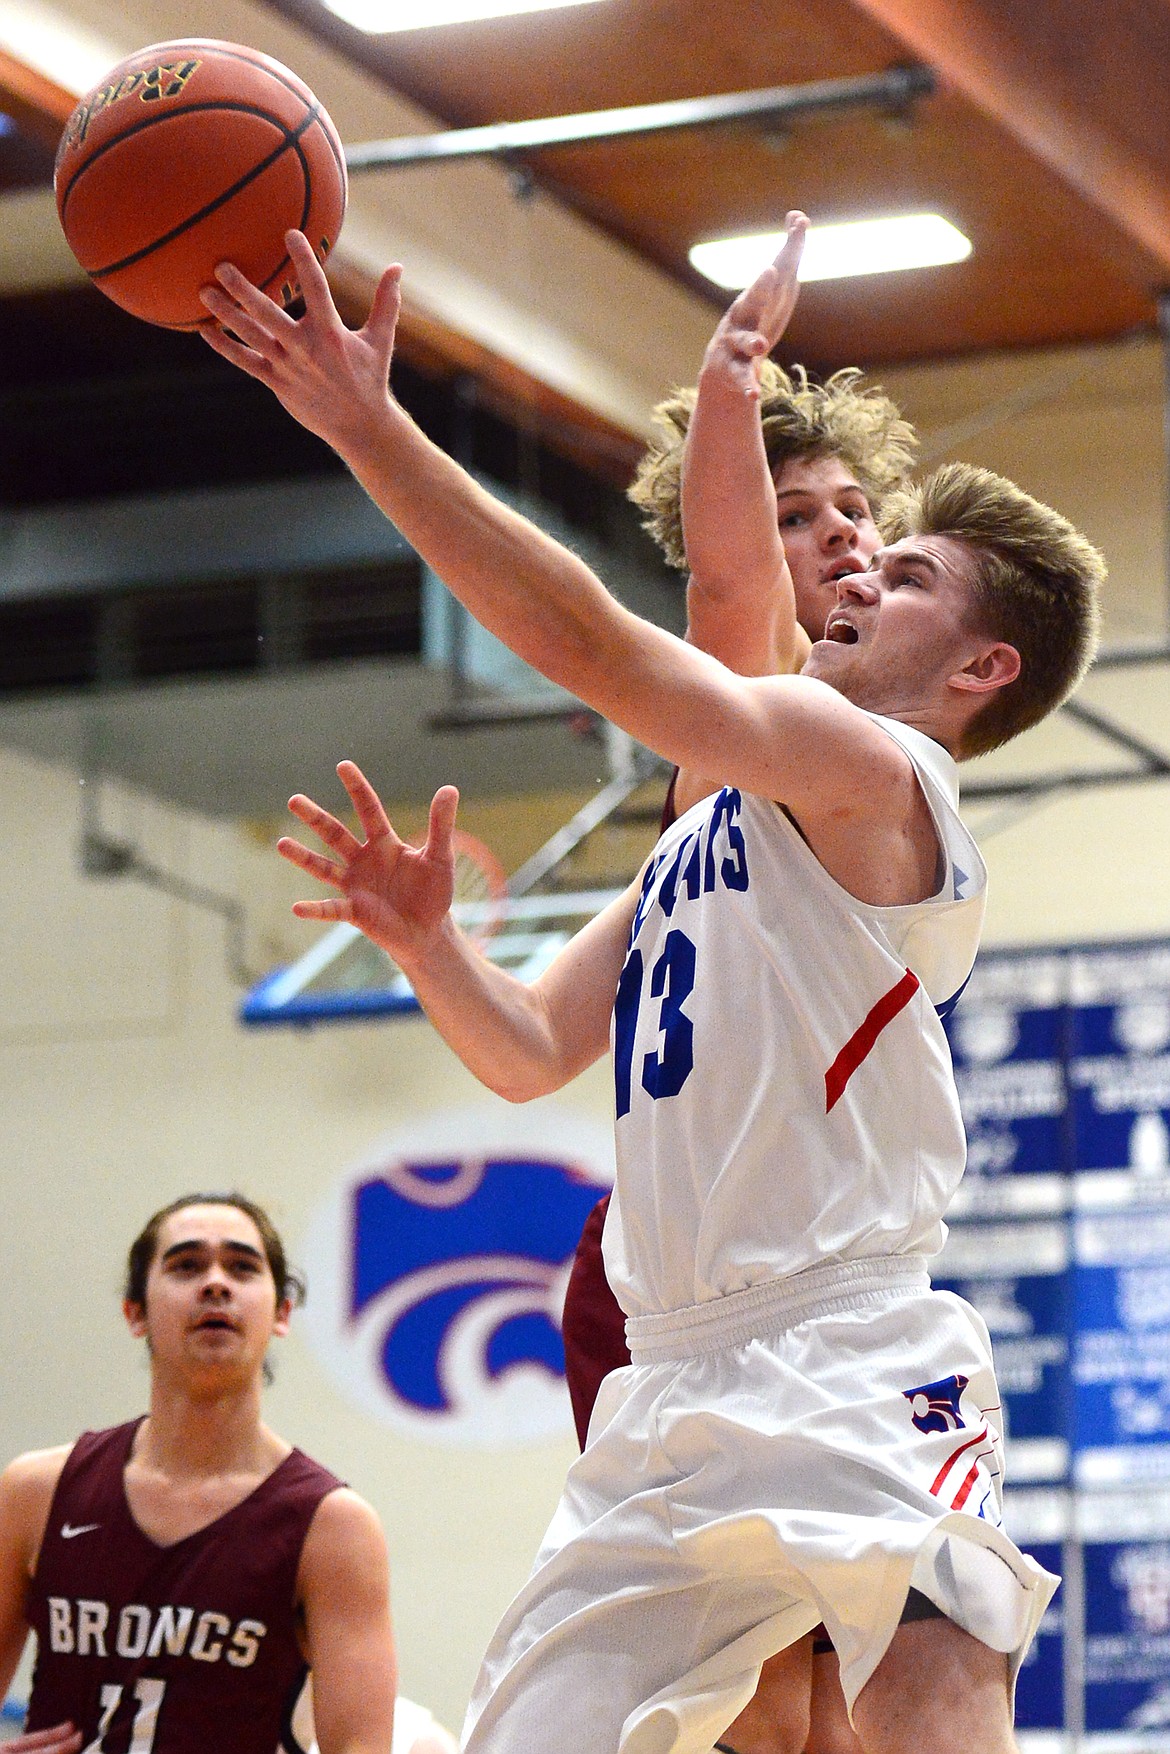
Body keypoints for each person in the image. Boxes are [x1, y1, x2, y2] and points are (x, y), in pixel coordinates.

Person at [198, 217, 1106, 1754]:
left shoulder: (879, 773)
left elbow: (614, 646)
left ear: (977, 673)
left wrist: (369, 423)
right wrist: (429, 946)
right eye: (851, 540)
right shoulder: (707, 830)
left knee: (924, 1700)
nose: (864, 560)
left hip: (847, 1345)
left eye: (908, 564)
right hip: (667, 1378)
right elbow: (528, 1045)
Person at [562, 220, 916, 1754]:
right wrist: (731, 375)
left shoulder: (886, 749)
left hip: (832, 1274)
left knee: (852, 1696)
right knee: (756, 1706)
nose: (836, 534)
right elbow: (722, 597)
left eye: (854, 509)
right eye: (797, 514)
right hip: (697, 1288)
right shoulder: (743, 714)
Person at [0, 1193, 397, 1754]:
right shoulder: (35, 1492)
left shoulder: (333, 1527)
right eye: (186, 1265)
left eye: (242, 1266)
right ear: (134, 1311)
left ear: (282, 1313)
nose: (215, 1284)